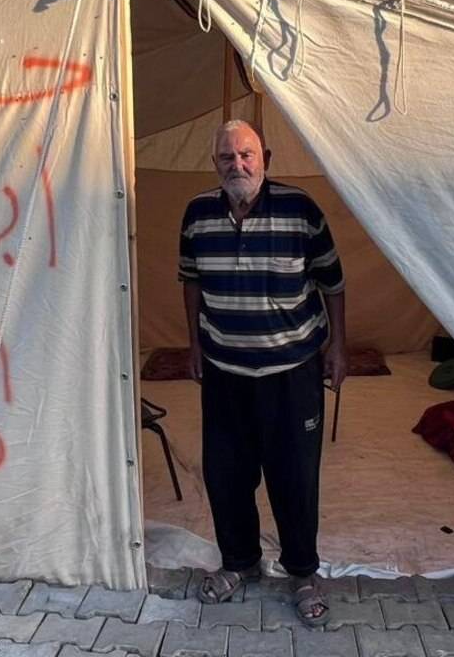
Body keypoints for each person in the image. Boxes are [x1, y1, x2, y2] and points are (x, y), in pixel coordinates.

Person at [178, 119, 346, 627]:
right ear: (215, 164)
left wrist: (339, 346)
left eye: (246, 155)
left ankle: (303, 573)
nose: (238, 165)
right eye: (227, 157)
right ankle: (239, 563)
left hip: (291, 370)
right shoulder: (197, 214)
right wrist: (194, 344)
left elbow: (333, 282)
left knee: (294, 476)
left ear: (265, 158)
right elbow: (190, 281)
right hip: (225, 369)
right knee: (226, 474)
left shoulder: (300, 209)